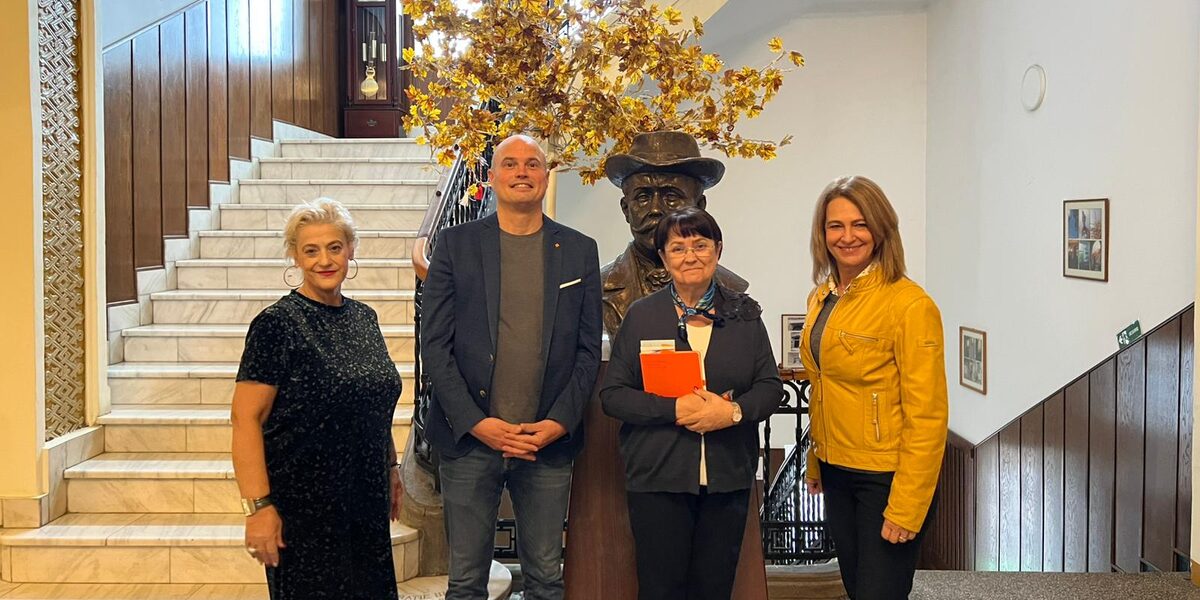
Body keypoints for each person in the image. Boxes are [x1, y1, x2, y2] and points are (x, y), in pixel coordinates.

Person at [420, 134, 602, 600]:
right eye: (510, 164)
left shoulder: (580, 250)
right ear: (493, 176)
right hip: (470, 440)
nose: (522, 172)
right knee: (465, 582)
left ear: (545, 176)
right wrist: (478, 424)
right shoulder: (455, 245)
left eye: (533, 164)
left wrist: (558, 422)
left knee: (545, 577)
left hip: (547, 441)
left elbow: (586, 352)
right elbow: (435, 347)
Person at [601, 207, 782, 600]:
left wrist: (731, 412)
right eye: (678, 247)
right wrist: (673, 410)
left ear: (717, 250)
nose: (691, 256)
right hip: (658, 476)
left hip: (727, 475)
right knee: (660, 588)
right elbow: (613, 396)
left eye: (700, 245)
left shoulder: (745, 314)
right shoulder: (641, 316)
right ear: (664, 258)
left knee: (714, 588)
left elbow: (769, 388)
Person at [231, 198, 403, 600]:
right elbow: (245, 420)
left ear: (351, 250)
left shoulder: (364, 318)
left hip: (366, 498)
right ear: (295, 255)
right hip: (304, 508)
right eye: (311, 250)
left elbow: (371, 400)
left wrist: (391, 467)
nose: (324, 260)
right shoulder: (277, 325)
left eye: (334, 248)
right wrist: (258, 508)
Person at [800, 176, 948, 600]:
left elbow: (928, 416)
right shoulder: (821, 298)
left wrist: (906, 506)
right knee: (856, 588)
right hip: (836, 469)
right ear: (822, 233)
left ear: (881, 228)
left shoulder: (910, 305)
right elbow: (823, 386)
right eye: (835, 226)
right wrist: (815, 459)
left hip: (885, 478)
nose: (847, 237)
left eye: (860, 224)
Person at [600, 131, 748, 337]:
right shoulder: (597, 288)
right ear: (626, 209)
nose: (655, 209)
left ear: (700, 207)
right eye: (643, 197)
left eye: (671, 196)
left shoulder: (733, 292)